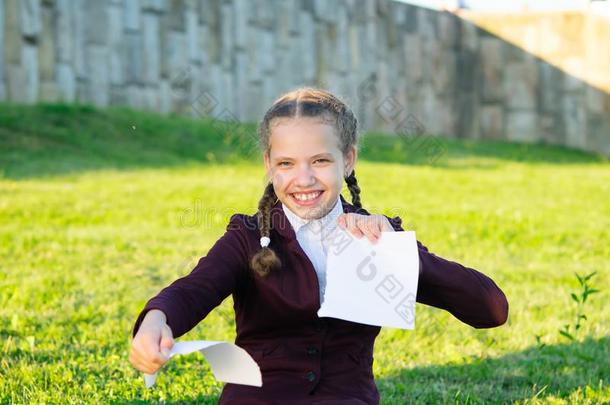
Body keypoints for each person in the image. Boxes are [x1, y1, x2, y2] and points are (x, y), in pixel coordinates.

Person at [129, 88, 509, 404]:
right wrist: (156, 320)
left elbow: (489, 309)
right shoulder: (248, 237)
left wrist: (399, 252)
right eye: (286, 164)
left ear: (348, 160)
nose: (304, 179)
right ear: (268, 165)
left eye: (321, 160)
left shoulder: (377, 238)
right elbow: (194, 290)